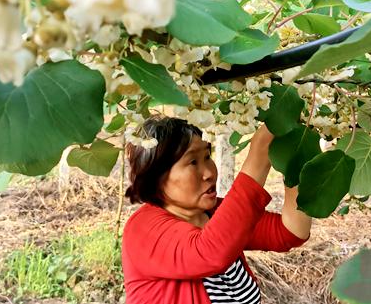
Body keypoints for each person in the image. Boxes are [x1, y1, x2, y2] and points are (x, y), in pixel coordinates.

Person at [122, 116, 312, 304]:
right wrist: (259, 152)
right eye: (193, 162)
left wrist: (294, 161)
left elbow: (291, 232)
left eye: (207, 157)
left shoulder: (214, 214)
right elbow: (210, 251)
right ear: (157, 178)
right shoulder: (142, 230)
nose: (209, 173)